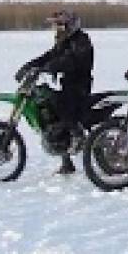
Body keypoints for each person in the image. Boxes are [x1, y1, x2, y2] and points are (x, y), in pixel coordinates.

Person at [15, 9, 94, 175]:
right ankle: (66, 160)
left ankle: (77, 134)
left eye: (60, 25)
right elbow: (49, 56)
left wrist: (51, 67)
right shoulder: (63, 41)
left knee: (61, 105)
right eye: (56, 26)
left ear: (69, 25)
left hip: (79, 85)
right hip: (66, 83)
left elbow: (73, 61)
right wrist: (30, 66)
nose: (57, 29)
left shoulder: (81, 40)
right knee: (49, 109)